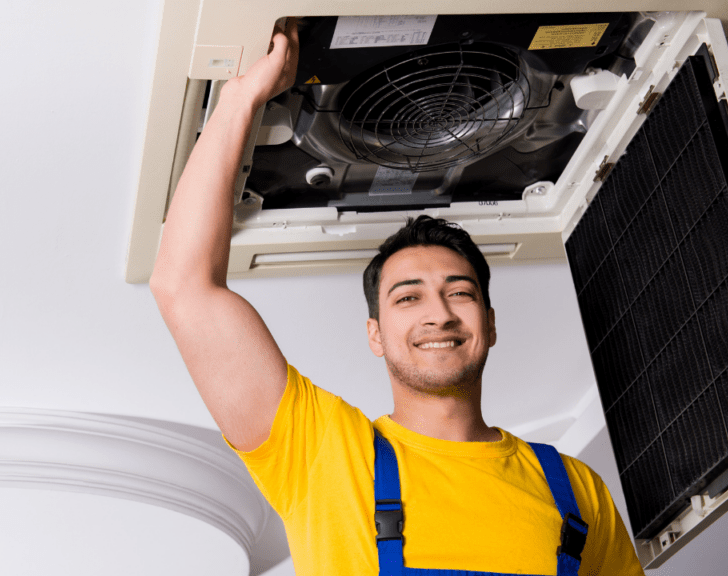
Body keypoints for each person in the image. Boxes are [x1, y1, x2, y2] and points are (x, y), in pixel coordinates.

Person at [150, 19, 644, 576]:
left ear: (490, 321)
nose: (439, 313)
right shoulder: (323, 452)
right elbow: (183, 285)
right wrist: (242, 97)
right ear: (376, 334)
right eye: (408, 298)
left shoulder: (576, 490)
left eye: (460, 292)